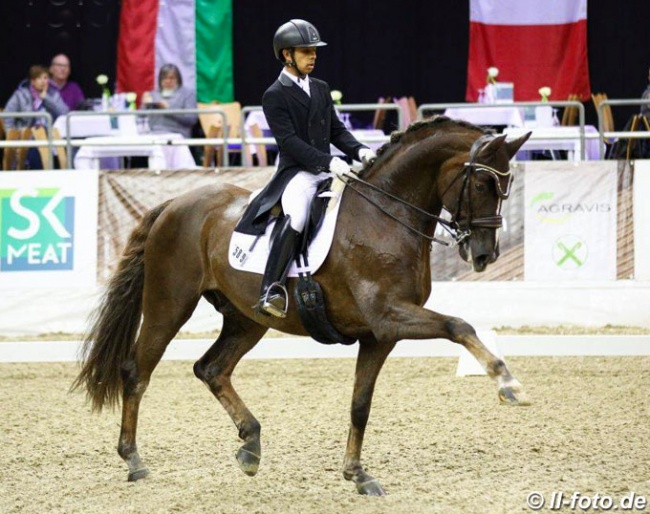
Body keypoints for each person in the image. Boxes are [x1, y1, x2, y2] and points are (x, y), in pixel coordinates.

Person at [235, 19, 376, 318]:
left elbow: (336, 131)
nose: (313, 56)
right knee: (297, 215)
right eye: (305, 51)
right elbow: (289, 143)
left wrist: (360, 150)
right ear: (287, 55)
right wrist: (328, 161)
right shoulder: (275, 94)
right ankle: (271, 289)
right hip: (296, 173)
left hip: (326, 170)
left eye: (314, 51)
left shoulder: (321, 88)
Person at [4, 64, 69, 169]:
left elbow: (64, 112)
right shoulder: (20, 95)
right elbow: (7, 115)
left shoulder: (53, 95)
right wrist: (11, 135)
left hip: (50, 134)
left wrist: (46, 98)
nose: (43, 81)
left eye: (46, 78)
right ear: (32, 81)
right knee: (36, 146)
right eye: (39, 78)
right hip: (27, 135)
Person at [141, 64, 197, 138]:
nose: (167, 81)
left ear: (178, 79)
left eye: (171, 78)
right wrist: (144, 106)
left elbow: (191, 120)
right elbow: (139, 117)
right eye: (164, 78)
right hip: (153, 134)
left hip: (177, 134)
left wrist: (169, 110)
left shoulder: (187, 94)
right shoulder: (153, 94)